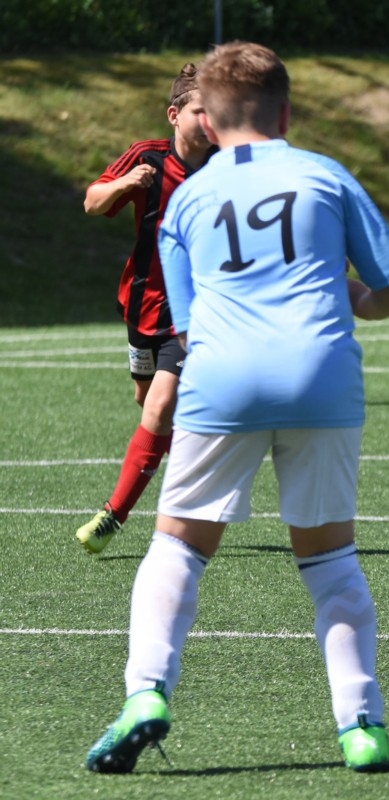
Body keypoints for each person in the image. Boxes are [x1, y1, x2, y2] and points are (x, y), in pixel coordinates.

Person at [83, 41, 389, 774]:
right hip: (320, 376)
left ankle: (145, 694)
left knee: (177, 547)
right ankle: (361, 726)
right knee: (330, 561)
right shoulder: (325, 175)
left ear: (207, 120)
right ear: (285, 113)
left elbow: (186, 326)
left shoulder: (188, 198)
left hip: (223, 377)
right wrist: (358, 300)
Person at [75, 64, 217, 555]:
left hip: (196, 312)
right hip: (143, 307)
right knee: (146, 401)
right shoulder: (147, 157)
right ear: (174, 115)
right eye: (201, 111)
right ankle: (204, 467)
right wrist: (126, 184)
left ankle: (112, 515)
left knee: (159, 405)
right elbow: (92, 203)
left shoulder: (228, 165)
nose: (210, 121)